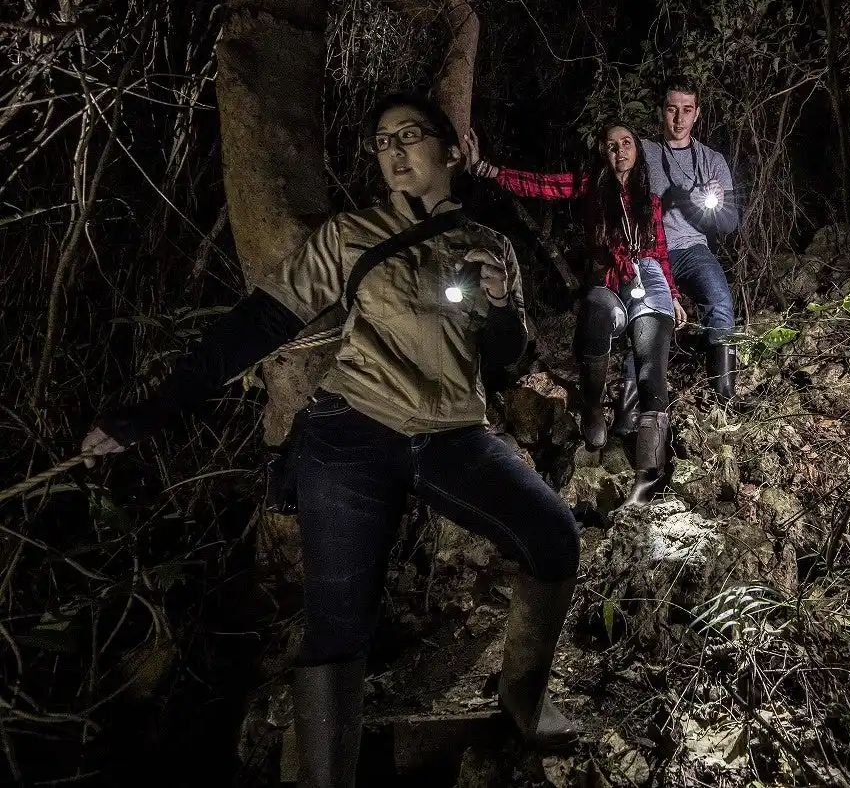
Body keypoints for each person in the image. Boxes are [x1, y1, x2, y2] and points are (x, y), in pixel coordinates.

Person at [80, 92, 582, 787]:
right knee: (338, 624)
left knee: (554, 535)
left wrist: (499, 305)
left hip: (452, 432)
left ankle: (523, 695)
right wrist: (158, 408)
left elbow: (503, 357)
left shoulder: (490, 245)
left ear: (450, 150)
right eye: (382, 142)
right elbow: (262, 321)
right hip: (354, 427)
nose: (394, 150)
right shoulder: (352, 233)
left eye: (410, 135)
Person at [464, 122, 686, 506]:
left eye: (627, 143)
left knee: (652, 374)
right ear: (603, 152)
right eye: (612, 145)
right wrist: (488, 169)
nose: (620, 150)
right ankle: (592, 406)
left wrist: (675, 294)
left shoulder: (649, 200)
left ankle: (647, 481)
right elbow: (542, 185)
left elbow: (660, 252)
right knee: (595, 313)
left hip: (649, 281)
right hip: (608, 280)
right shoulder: (592, 188)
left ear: (637, 150)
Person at [614, 75, 741, 435]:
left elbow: (729, 223)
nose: (679, 118)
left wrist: (709, 203)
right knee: (646, 319)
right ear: (661, 111)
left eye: (687, 110)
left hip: (692, 248)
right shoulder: (644, 151)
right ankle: (628, 410)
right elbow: (613, 178)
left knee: (721, 302)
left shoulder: (712, 160)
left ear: (697, 113)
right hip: (651, 251)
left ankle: (725, 397)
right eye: (672, 109)